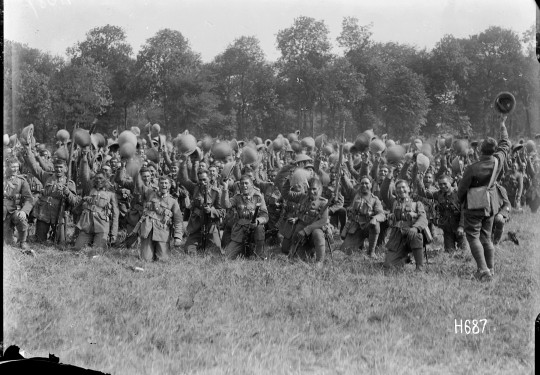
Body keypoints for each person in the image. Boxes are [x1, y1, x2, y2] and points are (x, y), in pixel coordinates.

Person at [457, 116, 510, 281]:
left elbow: (461, 190)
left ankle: (482, 270)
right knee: (486, 237)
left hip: (474, 205)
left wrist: (460, 202)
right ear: (493, 150)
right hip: (492, 205)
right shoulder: (498, 160)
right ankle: (491, 269)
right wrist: (502, 125)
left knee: (473, 236)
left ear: (480, 151)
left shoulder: (471, 168)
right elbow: (505, 143)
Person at [23, 146, 78, 243]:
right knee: (39, 240)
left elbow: (74, 201)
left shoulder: (69, 183)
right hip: (44, 213)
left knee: (60, 242)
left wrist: (68, 192)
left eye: (61, 167)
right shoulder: (46, 177)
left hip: (59, 215)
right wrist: (28, 151)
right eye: (56, 167)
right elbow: (35, 168)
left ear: (65, 168)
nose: (58, 169)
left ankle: (55, 236)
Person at [381, 176, 428, 271]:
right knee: (388, 266)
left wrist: (415, 228)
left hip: (411, 235)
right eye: (398, 188)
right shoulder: (393, 202)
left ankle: (419, 267)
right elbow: (383, 192)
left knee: (417, 235)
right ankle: (405, 259)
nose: (401, 190)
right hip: (397, 236)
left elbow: (423, 218)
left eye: (403, 187)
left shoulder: (417, 204)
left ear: (409, 189)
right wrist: (389, 176)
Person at [134, 175, 184, 261]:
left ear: (169, 186)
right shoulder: (150, 194)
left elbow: (178, 220)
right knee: (145, 259)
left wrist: (178, 237)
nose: (163, 185)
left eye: (166, 183)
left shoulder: (173, 202)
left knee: (163, 260)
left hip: (162, 233)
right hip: (147, 231)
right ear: (158, 184)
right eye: (161, 183)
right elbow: (140, 185)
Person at [281, 176, 329, 265]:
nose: (311, 191)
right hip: (300, 233)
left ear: (319, 189)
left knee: (317, 233)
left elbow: (323, 221)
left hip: (313, 232)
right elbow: (285, 194)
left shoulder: (323, 202)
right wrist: (289, 181)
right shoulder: (302, 197)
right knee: (288, 252)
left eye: (314, 189)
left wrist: (306, 230)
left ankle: (320, 261)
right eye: (310, 189)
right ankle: (306, 251)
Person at [221, 174, 269, 260]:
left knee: (260, 228)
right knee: (227, 257)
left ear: (252, 184)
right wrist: (225, 188)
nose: (244, 186)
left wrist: (257, 221)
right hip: (240, 231)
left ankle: (259, 253)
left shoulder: (258, 197)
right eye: (242, 184)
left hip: (254, 230)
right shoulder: (237, 197)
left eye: (246, 183)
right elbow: (226, 205)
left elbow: (265, 215)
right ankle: (243, 250)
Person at [340, 175, 385, 257]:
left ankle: (371, 252)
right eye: (362, 183)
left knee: (376, 225)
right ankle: (360, 245)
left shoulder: (375, 199)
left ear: (371, 185)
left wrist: (375, 218)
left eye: (366, 183)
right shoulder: (355, 194)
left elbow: (382, 214)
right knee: (344, 250)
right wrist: (343, 176)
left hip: (368, 226)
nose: (364, 185)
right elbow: (347, 185)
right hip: (355, 227)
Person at [74, 171, 119, 250]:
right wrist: (84, 200)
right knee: (78, 248)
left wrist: (113, 233)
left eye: (101, 178)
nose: (98, 180)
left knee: (97, 251)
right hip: (87, 225)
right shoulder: (90, 190)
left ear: (106, 179)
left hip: (101, 227)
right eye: (96, 178)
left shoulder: (111, 193)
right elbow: (78, 208)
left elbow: (115, 214)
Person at [3, 159, 34, 250]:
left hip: (15, 210)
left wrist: (24, 211)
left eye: (17, 166)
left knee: (21, 219)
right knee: (8, 242)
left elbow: (29, 198)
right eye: (13, 166)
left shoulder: (21, 181)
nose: (15, 169)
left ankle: (23, 242)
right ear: (7, 167)